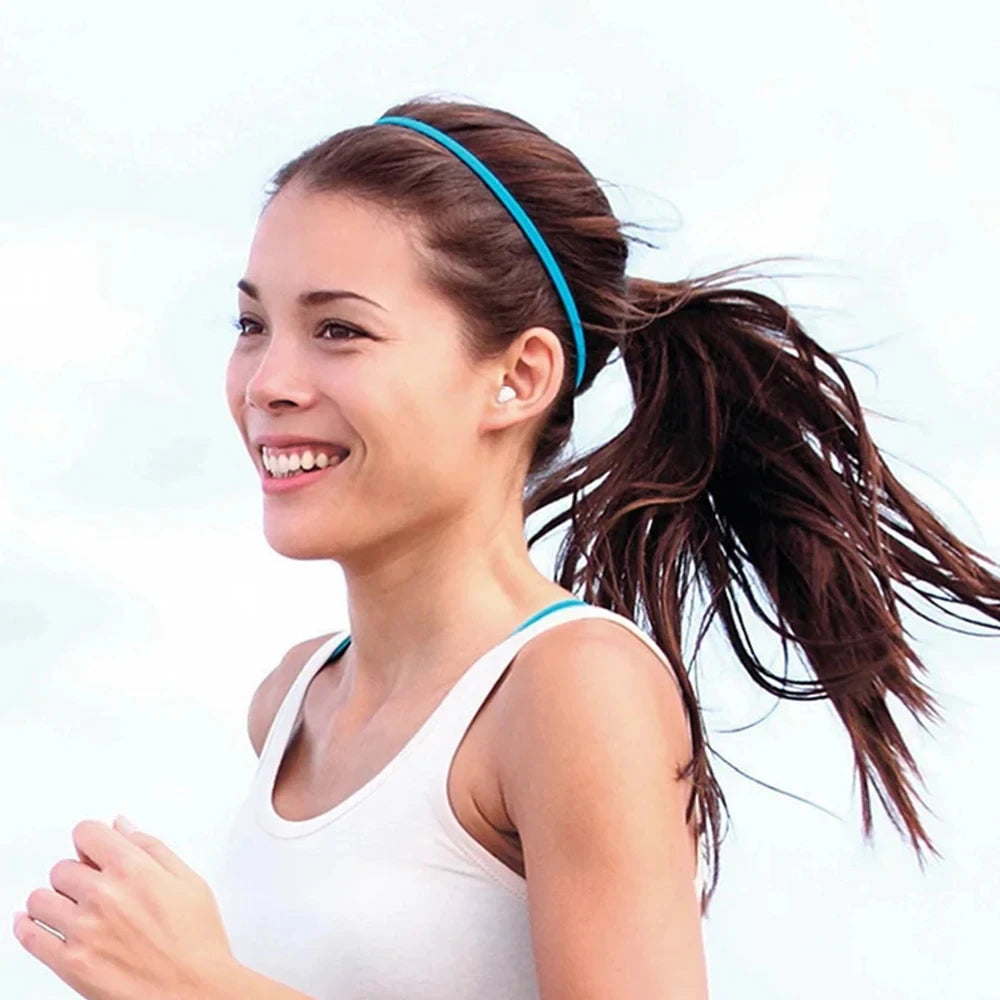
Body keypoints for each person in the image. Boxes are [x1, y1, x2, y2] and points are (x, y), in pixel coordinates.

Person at [211, 96, 1000, 999]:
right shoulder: (291, 703)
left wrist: (199, 986)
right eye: (251, 326)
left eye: (340, 330)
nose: (267, 383)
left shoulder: (572, 690)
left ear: (519, 377)